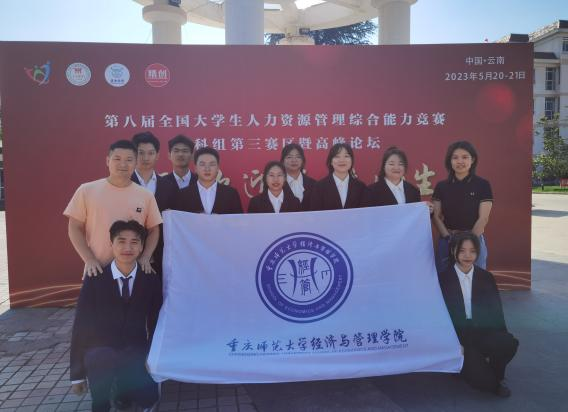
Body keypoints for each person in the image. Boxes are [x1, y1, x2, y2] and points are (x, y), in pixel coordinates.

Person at [70, 220, 162, 411]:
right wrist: (77, 375)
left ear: (142, 247)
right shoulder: (95, 278)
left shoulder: (150, 279)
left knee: (148, 398)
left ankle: (124, 394)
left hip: (136, 350)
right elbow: (81, 325)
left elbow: (156, 322)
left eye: (134, 242)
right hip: (101, 350)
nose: (128, 248)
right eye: (121, 241)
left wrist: (153, 355)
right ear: (111, 244)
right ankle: (104, 400)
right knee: (101, 396)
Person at [64, 140, 162, 277]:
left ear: (136, 163)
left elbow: (154, 230)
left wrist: (145, 257)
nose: (123, 164)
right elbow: (74, 227)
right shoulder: (86, 190)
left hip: (134, 270)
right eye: (117, 159)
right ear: (107, 161)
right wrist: (89, 259)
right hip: (98, 269)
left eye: (129, 160)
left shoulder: (146, 195)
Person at [438, 232, 518, 397]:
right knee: (482, 382)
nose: (468, 256)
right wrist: (452, 343)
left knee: (508, 343)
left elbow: (496, 310)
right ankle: (483, 378)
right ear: (453, 251)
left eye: (473, 251)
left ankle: (491, 373)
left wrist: (501, 335)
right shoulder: (442, 279)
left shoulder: (486, 277)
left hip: (482, 332)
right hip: (459, 337)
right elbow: (438, 317)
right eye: (462, 251)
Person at [432, 141, 493, 272]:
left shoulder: (482, 185)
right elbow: (436, 216)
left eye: (465, 157)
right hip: (448, 239)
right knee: (446, 278)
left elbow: (483, 218)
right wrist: (448, 238)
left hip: (474, 239)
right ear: (450, 161)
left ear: (473, 160)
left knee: (476, 279)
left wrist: (469, 242)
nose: (460, 161)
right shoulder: (441, 186)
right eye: (455, 157)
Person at [171, 147, 243, 214]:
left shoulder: (231, 194)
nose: (207, 169)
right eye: (202, 164)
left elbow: (239, 220)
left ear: (218, 168)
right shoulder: (183, 195)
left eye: (212, 164)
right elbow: (178, 220)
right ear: (195, 168)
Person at [310, 143, 367, 211]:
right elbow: (316, 214)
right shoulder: (319, 187)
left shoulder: (361, 187)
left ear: (352, 160)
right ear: (331, 161)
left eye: (346, 156)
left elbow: (365, 213)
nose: (342, 160)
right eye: (337, 156)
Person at [131, 131, 177, 212]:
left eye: (151, 153)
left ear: (157, 155)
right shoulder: (123, 183)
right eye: (141, 153)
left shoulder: (168, 186)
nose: (146, 158)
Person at [281, 143, 317, 211]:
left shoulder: (314, 184)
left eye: (298, 157)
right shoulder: (276, 184)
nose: (294, 160)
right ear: (282, 161)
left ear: (303, 161)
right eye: (289, 157)